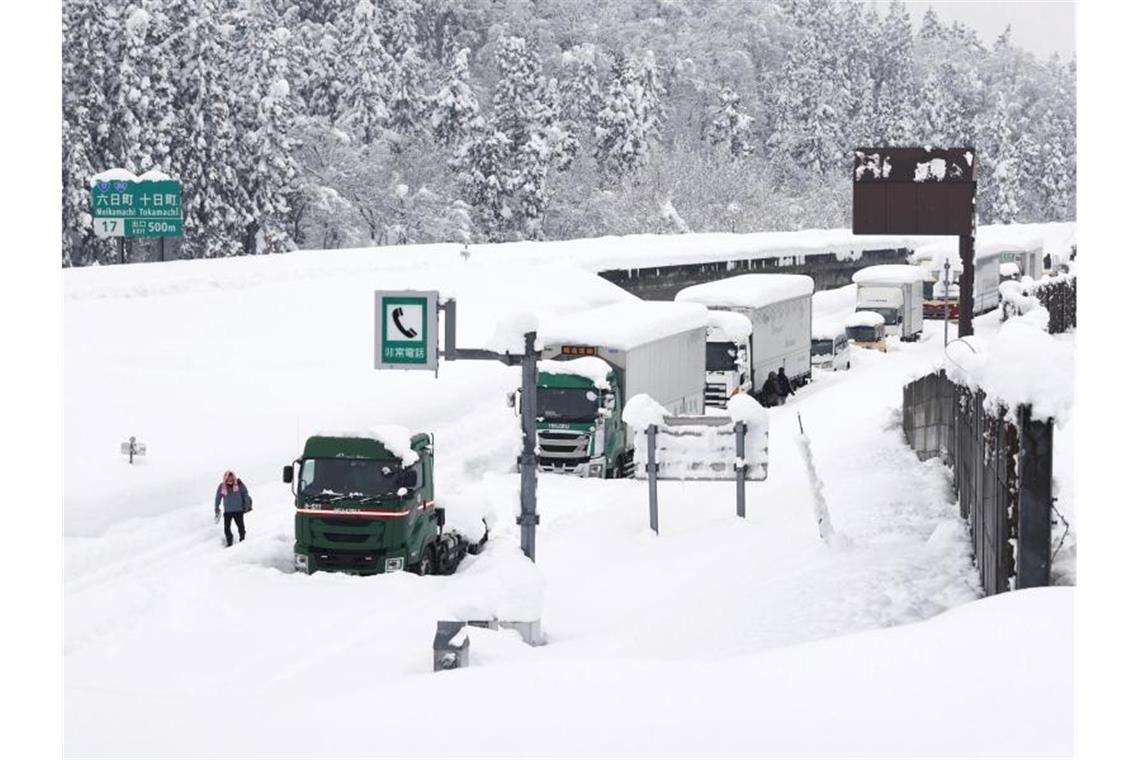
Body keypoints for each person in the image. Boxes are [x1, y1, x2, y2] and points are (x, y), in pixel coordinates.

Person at [214, 470, 251, 546]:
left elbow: (245, 495)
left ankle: (242, 540)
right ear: (225, 478)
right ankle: (229, 542)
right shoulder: (222, 486)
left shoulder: (239, 484)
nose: (230, 479)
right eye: (228, 477)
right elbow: (218, 497)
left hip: (238, 510)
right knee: (227, 529)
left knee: (241, 526)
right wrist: (216, 508)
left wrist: (246, 506)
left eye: (231, 477)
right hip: (228, 512)